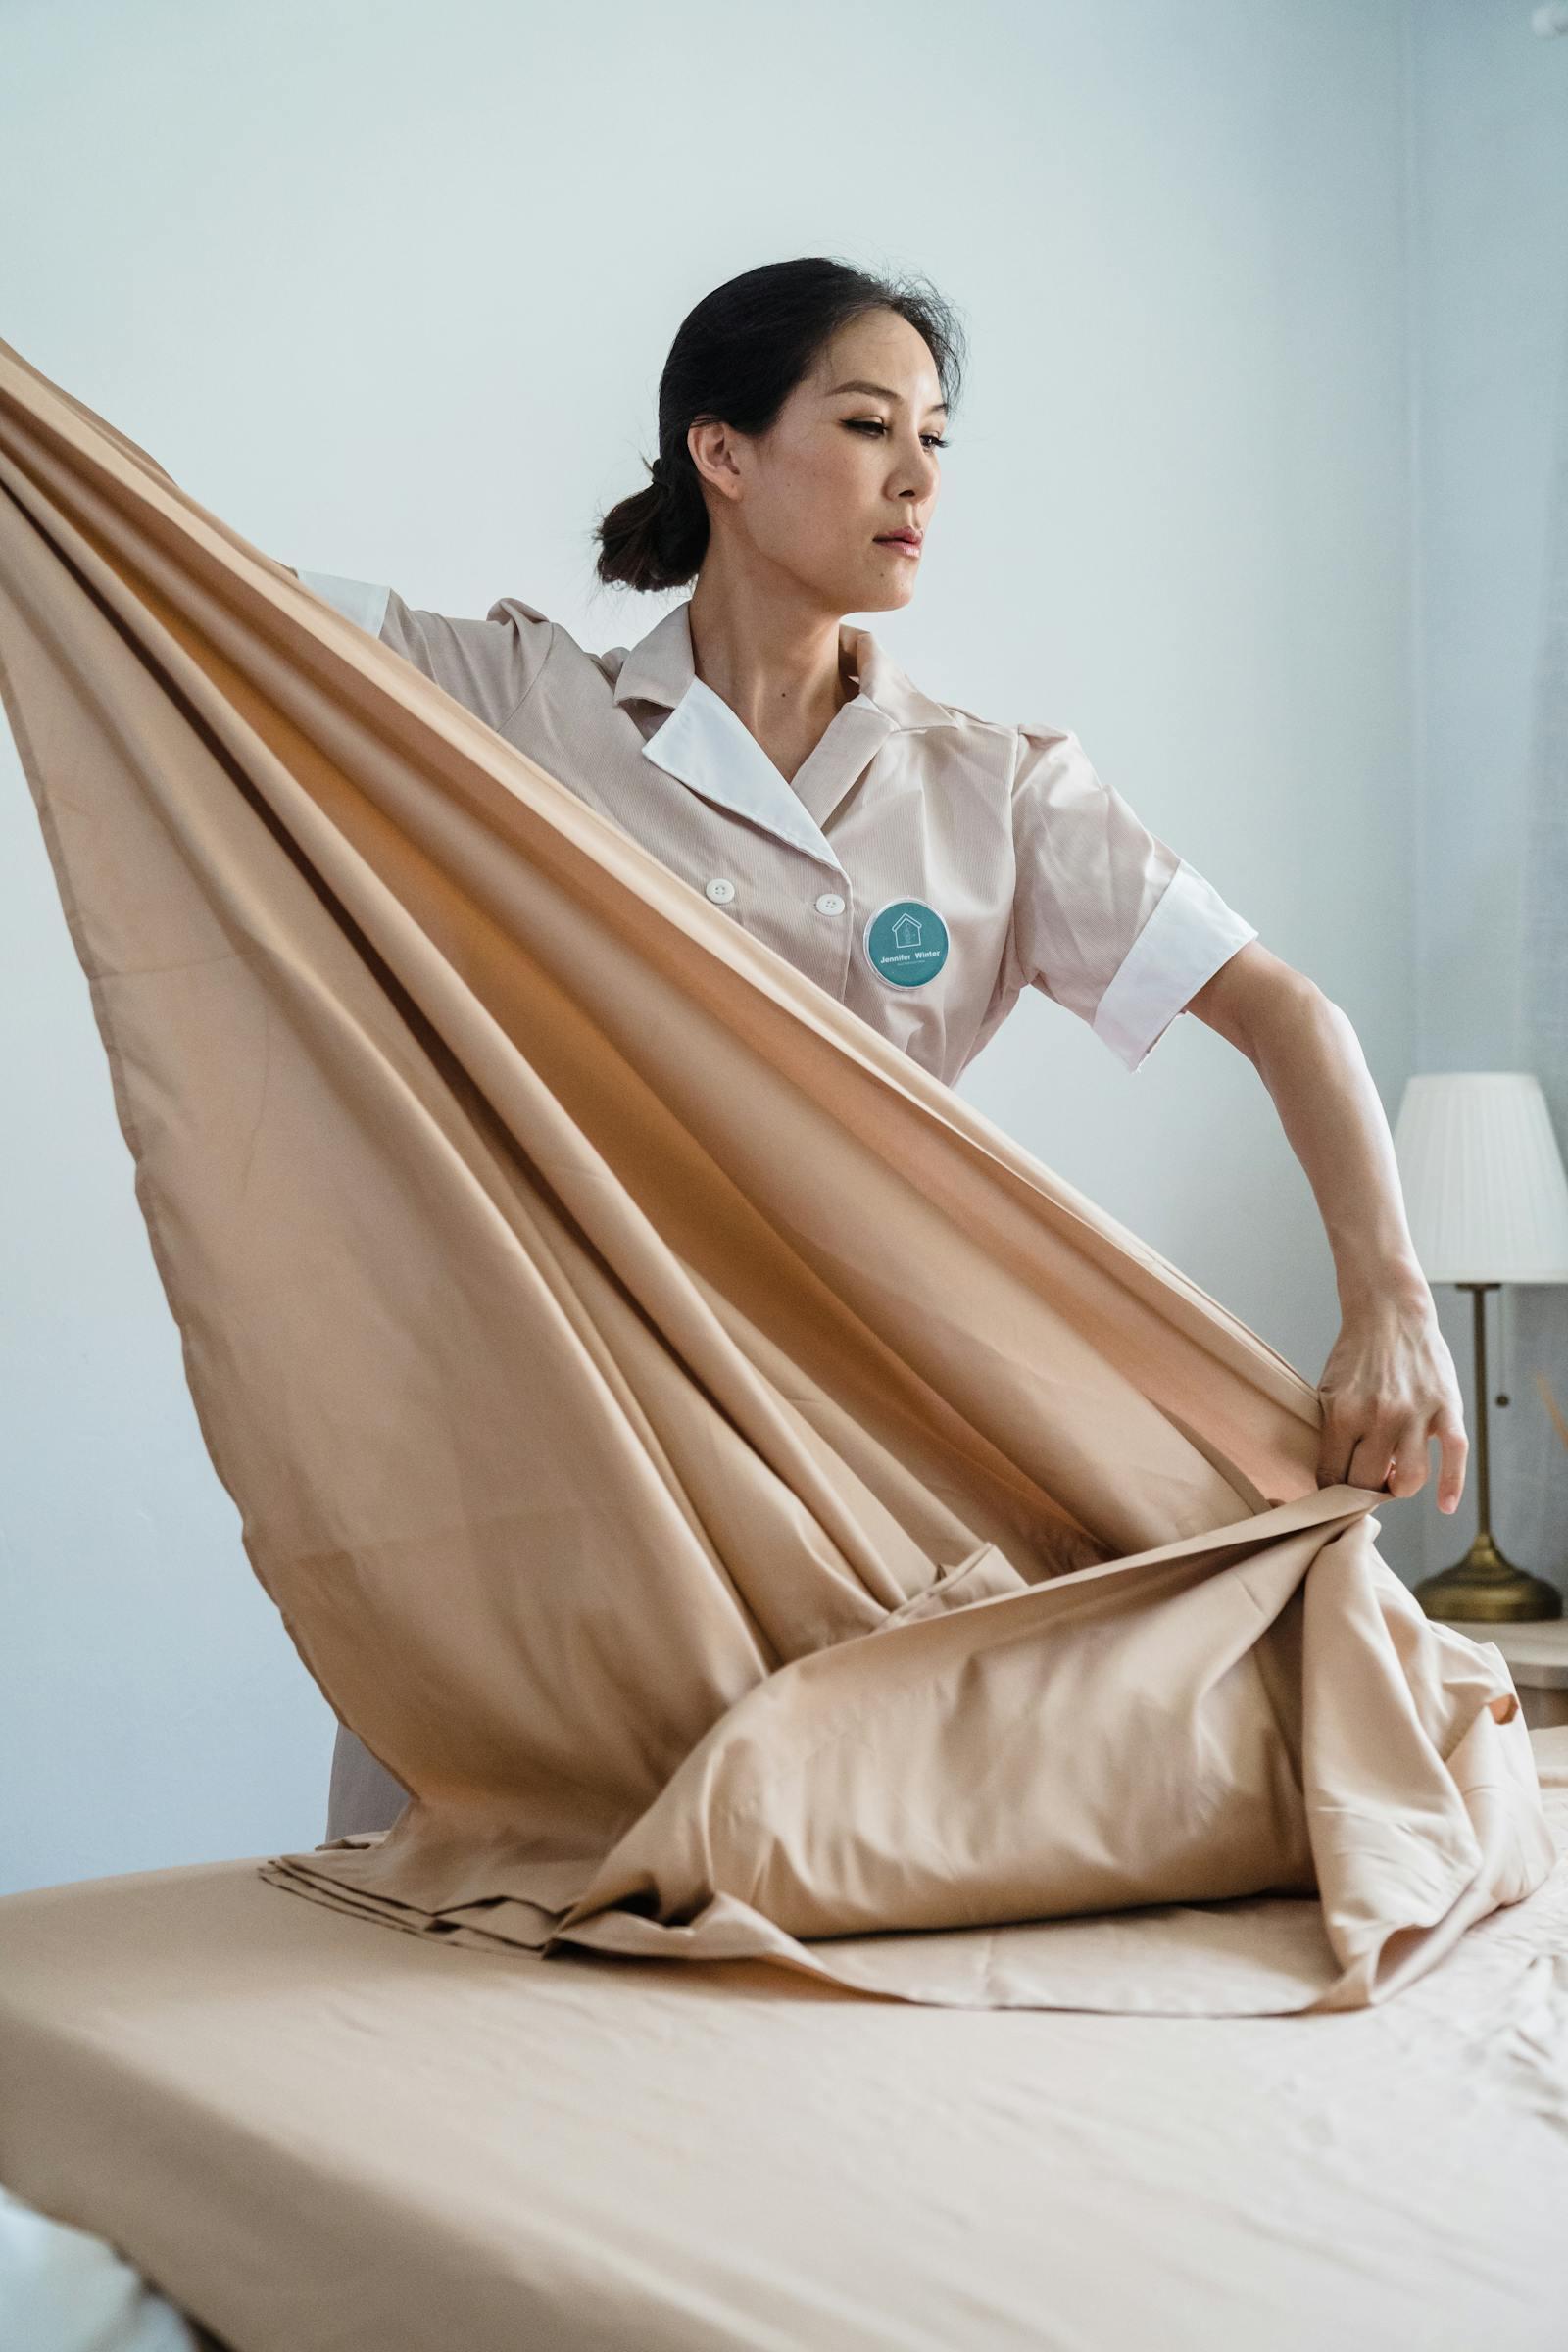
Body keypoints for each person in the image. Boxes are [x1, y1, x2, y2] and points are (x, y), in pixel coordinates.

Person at [288, 254, 1467, 1840]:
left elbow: (1286, 1015)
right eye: (865, 426)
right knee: (484, 1857)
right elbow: (188, 592)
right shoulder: (522, 705)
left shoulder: (997, 793)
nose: (919, 479)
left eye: (936, 437)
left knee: (816, 1847)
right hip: (575, 1397)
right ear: (723, 451)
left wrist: (1391, 1304)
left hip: (855, 1419)